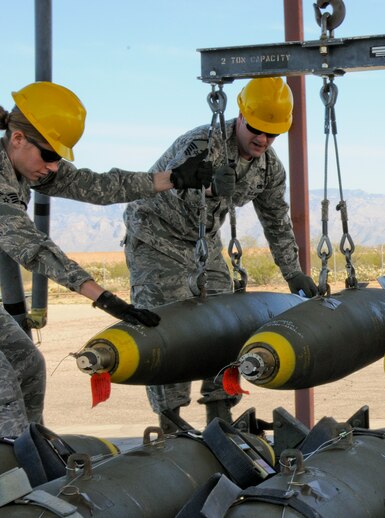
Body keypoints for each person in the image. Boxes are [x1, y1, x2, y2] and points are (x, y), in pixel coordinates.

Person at [0, 81, 208, 436]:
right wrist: (105, 299)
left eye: (57, 158)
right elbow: (33, 247)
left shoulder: (23, 164)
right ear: (17, 139)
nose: (52, 167)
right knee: (4, 389)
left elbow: (99, 185)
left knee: (27, 363)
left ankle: (29, 457)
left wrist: (172, 178)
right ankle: (13, 473)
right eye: (49, 156)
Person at [123, 77, 318, 431]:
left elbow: (276, 219)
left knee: (226, 324)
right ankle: (172, 425)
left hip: (202, 242)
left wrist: (294, 273)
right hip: (155, 237)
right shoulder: (201, 144)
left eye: (272, 134)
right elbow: (175, 190)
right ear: (241, 116)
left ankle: (220, 416)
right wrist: (210, 188)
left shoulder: (269, 168)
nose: (262, 140)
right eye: (257, 129)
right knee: (167, 329)